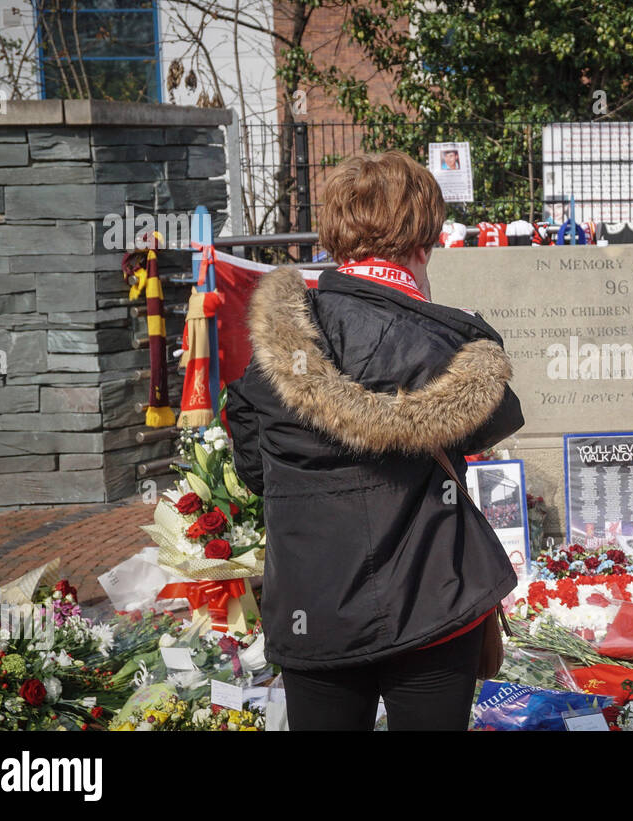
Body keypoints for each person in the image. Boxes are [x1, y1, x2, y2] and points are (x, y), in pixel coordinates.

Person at [225, 151, 523, 730]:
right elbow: (496, 420)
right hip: (434, 601)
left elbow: (256, 474)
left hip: (314, 605)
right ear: (426, 236)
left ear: (336, 235)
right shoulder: (450, 345)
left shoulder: (275, 354)